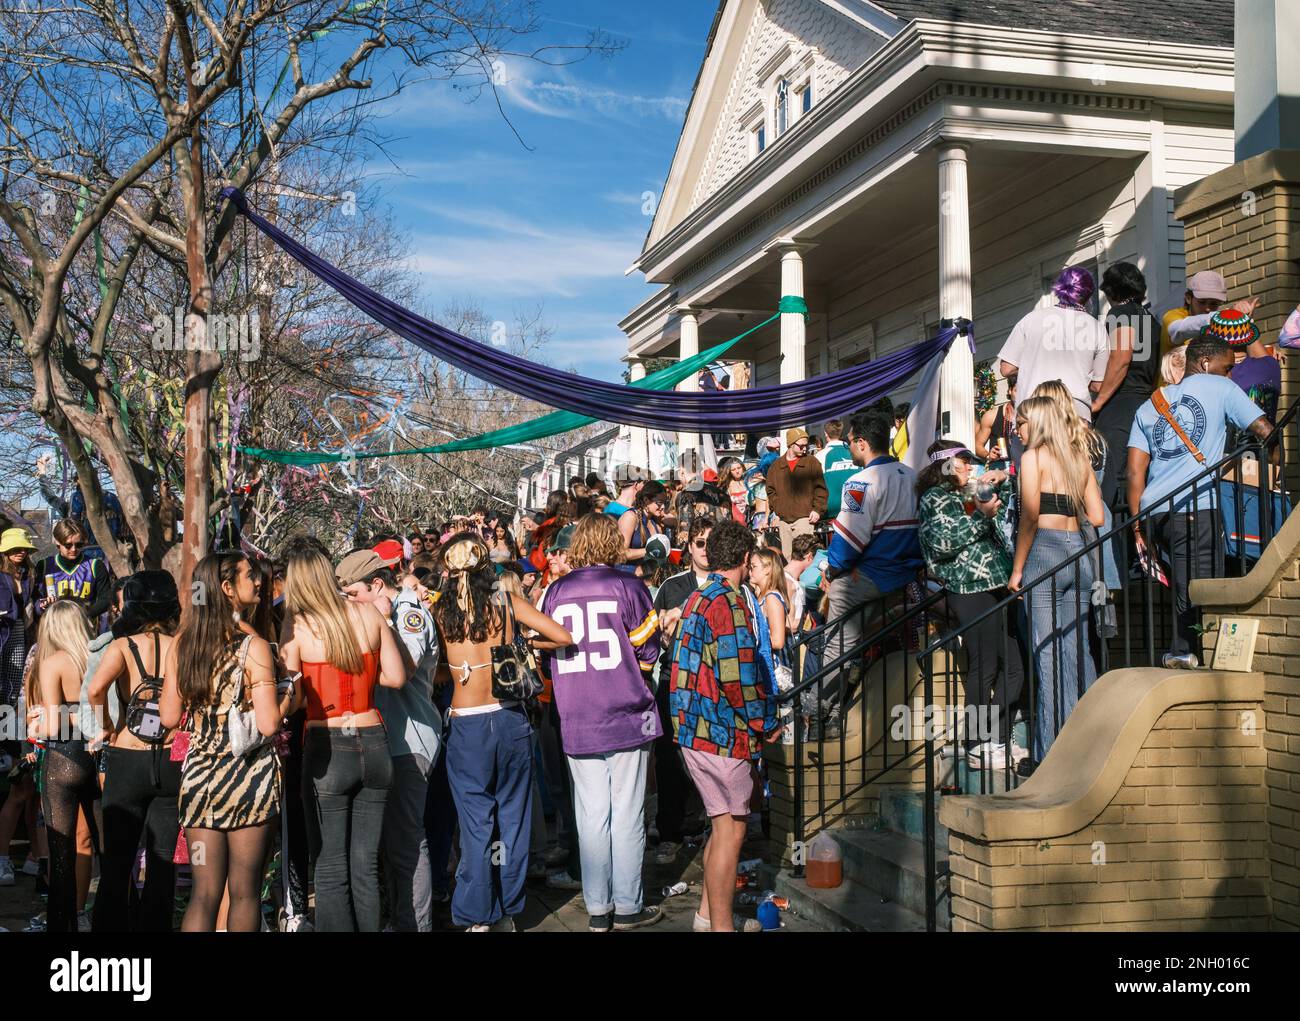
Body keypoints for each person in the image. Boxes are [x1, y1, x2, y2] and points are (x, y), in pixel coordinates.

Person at [430, 533, 571, 931]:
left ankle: (478, 912)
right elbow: (563, 636)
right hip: (509, 721)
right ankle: (508, 906)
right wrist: (525, 641)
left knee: (476, 824)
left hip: (466, 724)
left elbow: (432, 670)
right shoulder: (506, 604)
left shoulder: (441, 614)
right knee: (513, 819)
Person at [539, 514, 663, 931]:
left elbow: (544, 653)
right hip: (626, 711)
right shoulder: (631, 586)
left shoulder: (555, 591)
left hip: (577, 714)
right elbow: (648, 653)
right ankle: (628, 906)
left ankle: (597, 909)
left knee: (591, 815)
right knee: (627, 813)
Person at [161, 552, 291, 932]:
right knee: (245, 893)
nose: (259, 582)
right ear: (226, 587)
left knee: (203, 894)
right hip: (248, 780)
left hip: (200, 778)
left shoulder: (182, 644)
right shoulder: (254, 648)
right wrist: (290, 694)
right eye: (250, 575)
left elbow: (169, 718)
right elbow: (268, 724)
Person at [280, 545, 407, 932]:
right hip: (374, 742)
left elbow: (295, 698)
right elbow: (397, 677)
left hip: (327, 744)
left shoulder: (297, 626)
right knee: (365, 865)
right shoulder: (369, 613)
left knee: (331, 865)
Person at [1127, 334, 1273, 664]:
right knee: (1198, 586)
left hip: (1153, 511)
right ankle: (1185, 653)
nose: (1230, 376)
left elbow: (1135, 471)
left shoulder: (1153, 402)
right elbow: (1265, 431)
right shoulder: (1220, 388)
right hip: (1194, 507)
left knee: (1182, 584)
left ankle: (1183, 649)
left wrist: (1137, 527)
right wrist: (1274, 462)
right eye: (1226, 368)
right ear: (1205, 364)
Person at [669, 520, 778, 933]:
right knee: (731, 834)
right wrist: (766, 721)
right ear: (747, 559)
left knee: (721, 827)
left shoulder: (699, 596)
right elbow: (739, 680)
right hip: (719, 733)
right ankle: (720, 927)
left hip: (694, 729)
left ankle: (706, 917)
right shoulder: (727, 604)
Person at [336, 548, 442, 933]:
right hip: (385, 741)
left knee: (406, 843)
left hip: (408, 743)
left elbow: (405, 670)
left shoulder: (408, 615)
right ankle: (400, 919)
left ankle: (415, 925)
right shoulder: (379, 612)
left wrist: (381, 625)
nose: (350, 604)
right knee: (387, 846)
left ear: (377, 585)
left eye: (353, 595)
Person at [1009, 397, 1105, 764]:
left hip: (1045, 553)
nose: (1017, 431)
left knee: (1046, 652)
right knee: (1076, 651)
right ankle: (1088, 743)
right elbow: (1096, 515)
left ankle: (1050, 754)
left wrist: (1017, 570)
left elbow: (1029, 518)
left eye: (1020, 423)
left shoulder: (1033, 458)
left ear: (1036, 423)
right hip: (1078, 552)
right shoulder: (1078, 457)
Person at [916, 442, 1024, 769]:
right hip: (967, 589)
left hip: (999, 585)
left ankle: (999, 738)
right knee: (985, 666)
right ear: (945, 466)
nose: (969, 469)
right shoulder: (933, 498)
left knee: (1015, 667)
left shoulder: (974, 492)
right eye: (963, 463)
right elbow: (942, 543)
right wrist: (980, 514)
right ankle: (976, 743)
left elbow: (1013, 509)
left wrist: (1005, 478)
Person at [86, 571, 182, 931]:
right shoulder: (181, 645)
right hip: (171, 756)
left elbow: (96, 689)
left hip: (127, 755)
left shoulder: (122, 646)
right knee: (162, 863)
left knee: (117, 863)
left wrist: (107, 725)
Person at [822, 410, 923, 725]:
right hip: (904, 578)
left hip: (870, 577)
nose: (849, 448)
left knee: (836, 644)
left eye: (851, 442)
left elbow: (848, 542)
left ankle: (823, 711)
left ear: (863, 443)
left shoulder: (858, 482)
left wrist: (832, 569)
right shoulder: (912, 476)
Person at [649, 517, 713, 866]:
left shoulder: (726, 583)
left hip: (711, 682)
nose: (705, 550)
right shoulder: (673, 585)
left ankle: (706, 828)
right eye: (700, 543)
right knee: (672, 758)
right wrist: (667, 623)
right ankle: (670, 832)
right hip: (675, 681)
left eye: (710, 543)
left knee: (710, 756)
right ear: (689, 546)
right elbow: (654, 633)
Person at [30, 599, 97, 932]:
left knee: (61, 854)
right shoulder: (99, 658)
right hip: (99, 758)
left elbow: (53, 727)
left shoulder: (53, 662)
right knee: (109, 851)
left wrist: (34, 725)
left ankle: (62, 926)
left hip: (63, 758)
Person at [1091, 262, 1163, 508]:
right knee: (1138, 469)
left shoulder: (1120, 314)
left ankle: (1111, 538)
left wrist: (1100, 400)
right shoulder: (1150, 319)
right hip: (1145, 399)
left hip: (1121, 402)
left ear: (1111, 291)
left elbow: (1121, 357)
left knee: (1111, 472)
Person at [998, 266, 1110, 422]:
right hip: (1075, 413)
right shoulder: (1097, 328)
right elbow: (1098, 385)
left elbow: (1006, 368)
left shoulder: (1030, 320)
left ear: (1060, 288)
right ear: (1089, 294)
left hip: (1033, 411)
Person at [1199, 308, 1283, 427]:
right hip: (1267, 442)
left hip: (1230, 445)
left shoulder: (1219, 377)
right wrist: (1245, 325)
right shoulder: (1271, 365)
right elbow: (1257, 350)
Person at [33, 519, 113, 624]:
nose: (74, 549)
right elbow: (35, 600)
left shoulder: (95, 565)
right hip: (54, 628)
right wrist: (42, 605)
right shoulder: (44, 566)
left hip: (84, 628)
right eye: (68, 545)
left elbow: (106, 599)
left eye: (79, 545)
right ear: (57, 542)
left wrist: (84, 615)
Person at [765, 427, 828, 560]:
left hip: (805, 517)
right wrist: (778, 508)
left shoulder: (812, 462)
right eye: (801, 446)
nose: (804, 449)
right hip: (784, 520)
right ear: (790, 444)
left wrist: (817, 509)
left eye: (806, 445)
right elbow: (770, 491)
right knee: (788, 558)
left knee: (804, 556)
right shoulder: (776, 467)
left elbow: (820, 489)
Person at [1162, 270, 1228, 352]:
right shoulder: (1171, 316)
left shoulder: (1217, 325)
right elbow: (1178, 330)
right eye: (1202, 302)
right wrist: (1221, 317)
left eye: (1214, 303)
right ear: (1188, 298)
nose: (1207, 308)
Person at [618, 480, 669, 563]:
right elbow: (620, 553)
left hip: (650, 574)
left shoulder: (656, 521)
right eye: (659, 503)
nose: (663, 507)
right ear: (646, 500)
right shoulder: (631, 517)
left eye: (665, 503)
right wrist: (649, 550)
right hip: (628, 574)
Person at [975, 375, 1020, 464]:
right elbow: (977, 445)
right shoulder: (991, 416)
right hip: (999, 469)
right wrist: (988, 455)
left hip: (1024, 466)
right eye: (1017, 391)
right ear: (1010, 391)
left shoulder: (1033, 415)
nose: (1020, 395)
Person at [719, 457, 749, 526]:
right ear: (730, 472)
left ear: (743, 467)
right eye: (733, 469)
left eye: (739, 468)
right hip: (736, 523)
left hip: (750, 520)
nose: (737, 471)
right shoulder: (727, 485)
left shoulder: (749, 482)